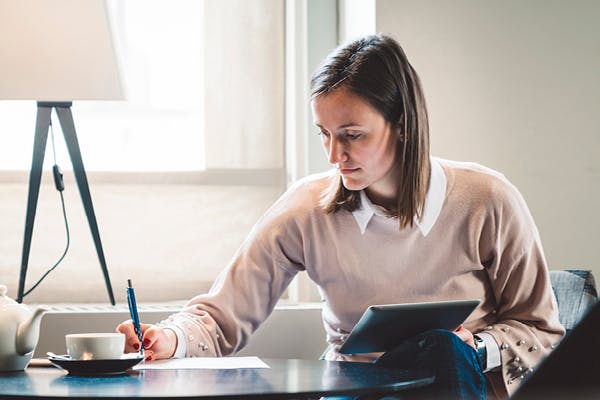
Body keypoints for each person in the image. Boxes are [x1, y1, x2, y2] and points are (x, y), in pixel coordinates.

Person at [117, 34, 564, 399]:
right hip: (356, 391)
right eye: (325, 135)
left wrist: (478, 345)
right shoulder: (306, 209)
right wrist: (169, 338)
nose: (335, 155)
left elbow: (542, 331)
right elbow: (221, 316)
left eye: (351, 135)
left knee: (443, 349)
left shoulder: (487, 200)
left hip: (455, 382)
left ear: (402, 124)